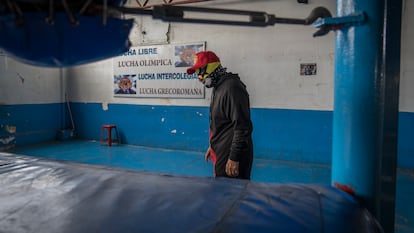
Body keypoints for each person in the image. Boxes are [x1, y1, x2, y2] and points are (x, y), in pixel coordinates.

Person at [187, 51, 254, 180]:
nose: (199, 78)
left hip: (231, 155)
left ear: (211, 67)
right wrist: (213, 146)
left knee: (231, 194)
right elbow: (222, 123)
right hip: (222, 149)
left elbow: (242, 127)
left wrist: (234, 157)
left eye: (200, 72)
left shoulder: (232, 88)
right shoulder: (219, 87)